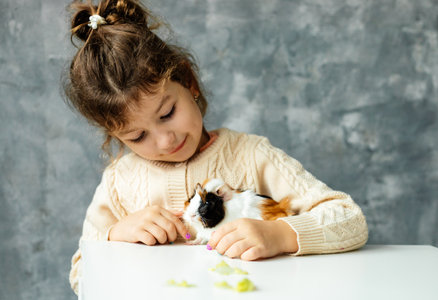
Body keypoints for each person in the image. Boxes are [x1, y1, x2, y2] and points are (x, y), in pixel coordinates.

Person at [64, 0, 368, 295]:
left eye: (167, 114)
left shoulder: (251, 157)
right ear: (116, 136)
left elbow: (349, 220)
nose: (165, 141)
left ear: (189, 81)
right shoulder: (119, 183)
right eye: (137, 137)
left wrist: (280, 235)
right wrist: (115, 236)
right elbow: (81, 276)